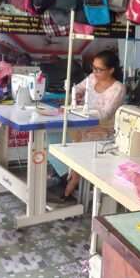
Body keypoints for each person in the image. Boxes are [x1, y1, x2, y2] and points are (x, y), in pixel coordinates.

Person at [54, 50, 126, 200]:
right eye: (93, 68)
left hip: (104, 128)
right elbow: (77, 88)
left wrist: (81, 109)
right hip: (83, 122)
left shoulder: (118, 88)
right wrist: (76, 95)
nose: (95, 72)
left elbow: (105, 114)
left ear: (111, 70)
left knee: (79, 143)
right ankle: (65, 173)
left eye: (100, 69)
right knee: (54, 135)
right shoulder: (92, 78)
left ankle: (73, 180)